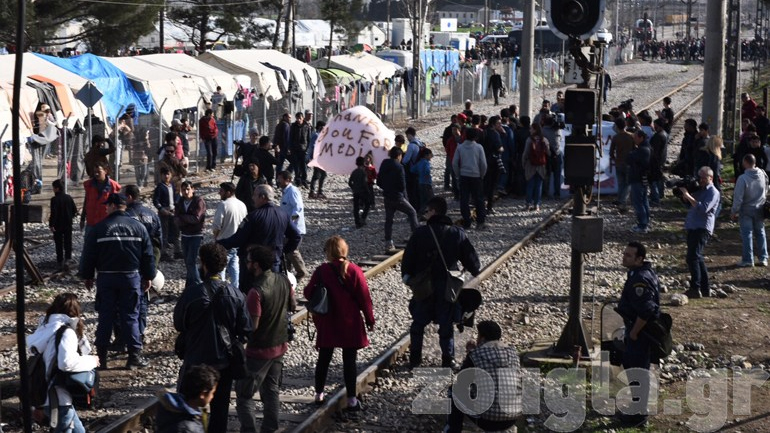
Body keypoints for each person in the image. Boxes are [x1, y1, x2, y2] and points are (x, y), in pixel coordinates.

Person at [174, 242, 252, 433]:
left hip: (195, 360)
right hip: (223, 363)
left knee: (188, 408)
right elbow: (246, 328)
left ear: (204, 265)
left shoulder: (191, 294)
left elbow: (179, 324)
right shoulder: (236, 294)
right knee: (220, 411)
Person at [79, 193, 156, 370]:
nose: (106, 208)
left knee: (105, 316)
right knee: (130, 316)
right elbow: (147, 255)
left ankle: (102, 359)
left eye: (107, 205)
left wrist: (88, 276)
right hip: (131, 278)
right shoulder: (139, 227)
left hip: (106, 278)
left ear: (114, 206)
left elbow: (89, 254)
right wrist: (148, 276)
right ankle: (133, 357)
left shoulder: (99, 228)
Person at [402, 197, 481, 369]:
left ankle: (415, 359)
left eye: (427, 211)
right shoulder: (456, 233)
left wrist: (408, 278)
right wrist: (469, 271)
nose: (425, 214)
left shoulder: (420, 234)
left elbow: (407, 261)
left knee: (418, 323)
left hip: (424, 287)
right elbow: (474, 263)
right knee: (446, 325)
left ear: (434, 212)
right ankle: (448, 359)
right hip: (447, 287)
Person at [304, 236, 375, 413]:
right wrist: (369, 320)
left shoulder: (321, 271)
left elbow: (307, 293)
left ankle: (319, 394)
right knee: (349, 362)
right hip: (349, 321)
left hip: (327, 321)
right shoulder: (355, 270)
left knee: (324, 360)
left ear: (328, 252)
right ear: (344, 250)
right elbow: (365, 299)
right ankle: (352, 399)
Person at [235, 245, 297, 433]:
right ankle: (270, 428)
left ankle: (249, 430)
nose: (246, 264)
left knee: (244, 394)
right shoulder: (284, 281)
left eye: (248, 261)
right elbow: (292, 306)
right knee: (271, 392)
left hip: (259, 351)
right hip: (279, 345)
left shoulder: (256, 292)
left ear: (256, 265)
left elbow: (252, 326)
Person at [26, 293, 99, 433]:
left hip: (45, 396)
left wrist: (37, 406)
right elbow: (66, 363)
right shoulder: (66, 332)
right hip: (59, 399)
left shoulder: (44, 330)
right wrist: (92, 361)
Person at [219, 185, 302, 290]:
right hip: (274, 263)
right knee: (271, 294)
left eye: (254, 195)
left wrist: (219, 243)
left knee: (250, 297)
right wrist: (283, 252)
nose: (252, 198)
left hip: (253, 267)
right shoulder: (283, 214)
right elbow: (296, 237)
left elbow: (238, 240)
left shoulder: (254, 216)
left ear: (262, 197)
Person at [444, 320, 521, 433]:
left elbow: (461, 382)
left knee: (453, 391)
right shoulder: (513, 354)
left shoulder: (475, 355)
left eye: (478, 336)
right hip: (513, 417)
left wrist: (470, 354)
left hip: (486, 421)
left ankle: (453, 429)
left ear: (482, 338)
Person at [616, 241, 661, 428]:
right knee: (635, 371)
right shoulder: (639, 273)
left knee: (638, 373)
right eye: (624, 253)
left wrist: (634, 333)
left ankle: (639, 415)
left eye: (628, 255)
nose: (624, 257)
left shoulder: (639, 280)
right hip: (639, 331)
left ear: (639, 259)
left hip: (640, 333)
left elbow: (647, 310)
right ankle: (636, 408)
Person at [681, 166, 721, 298]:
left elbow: (703, 208)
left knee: (692, 257)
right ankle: (705, 288)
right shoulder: (700, 190)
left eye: (704, 177)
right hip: (693, 226)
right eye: (700, 177)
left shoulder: (713, 192)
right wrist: (685, 196)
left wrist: (688, 196)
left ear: (711, 177)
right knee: (698, 257)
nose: (701, 180)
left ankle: (695, 287)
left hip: (702, 227)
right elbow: (690, 204)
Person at [156, 365, 220, 433]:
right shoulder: (188, 428)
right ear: (202, 394)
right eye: (212, 393)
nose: (212, 396)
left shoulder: (169, 407)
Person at [377, 146, 419, 250]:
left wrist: (386, 188)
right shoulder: (399, 167)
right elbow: (402, 185)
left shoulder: (384, 164)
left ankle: (388, 242)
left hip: (387, 196)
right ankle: (417, 237)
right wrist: (406, 198)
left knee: (389, 220)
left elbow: (379, 181)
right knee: (412, 212)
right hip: (398, 197)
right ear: (399, 156)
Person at [731, 154, 768, 267]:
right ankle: (763, 258)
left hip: (746, 209)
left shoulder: (743, 178)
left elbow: (738, 197)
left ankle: (748, 259)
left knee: (747, 234)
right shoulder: (763, 174)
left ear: (745, 163)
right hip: (760, 207)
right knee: (760, 233)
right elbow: (766, 188)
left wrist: (734, 211)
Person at [213, 182, 248, 290]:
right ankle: (236, 290)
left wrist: (216, 237)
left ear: (228, 192)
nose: (219, 193)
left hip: (224, 241)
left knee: (221, 267)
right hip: (238, 241)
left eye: (221, 191)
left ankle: (221, 290)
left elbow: (217, 225)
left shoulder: (223, 205)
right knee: (234, 267)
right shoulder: (242, 204)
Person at [277, 171, 309, 281]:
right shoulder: (285, 192)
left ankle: (301, 272)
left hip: (294, 228)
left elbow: (297, 210)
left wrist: (289, 223)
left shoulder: (293, 191)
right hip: (287, 228)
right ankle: (288, 275)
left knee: (291, 251)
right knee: (286, 252)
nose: (278, 181)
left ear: (288, 180)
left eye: (280, 178)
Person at [453, 128, 487, 229]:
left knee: (464, 199)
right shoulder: (479, 147)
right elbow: (483, 164)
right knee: (479, 199)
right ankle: (480, 222)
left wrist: (458, 174)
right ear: (476, 137)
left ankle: (467, 221)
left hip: (464, 176)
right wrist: (481, 175)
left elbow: (454, 163)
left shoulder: (460, 147)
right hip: (476, 176)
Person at [175, 181, 207, 288]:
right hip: (185, 235)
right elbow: (176, 218)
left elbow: (196, 218)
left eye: (188, 189)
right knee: (187, 262)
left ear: (193, 189)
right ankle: (190, 285)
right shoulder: (180, 202)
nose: (186, 191)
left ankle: (198, 285)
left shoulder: (198, 201)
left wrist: (183, 217)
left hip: (196, 235)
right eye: (183, 189)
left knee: (191, 261)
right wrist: (185, 219)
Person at [79, 161, 121, 238]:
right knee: (89, 246)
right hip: (91, 222)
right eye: (95, 172)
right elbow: (86, 201)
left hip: (107, 222)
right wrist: (82, 219)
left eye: (99, 172)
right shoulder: (89, 185)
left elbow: (118, 206)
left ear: (105, 171)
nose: (96, 174)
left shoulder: (113, 186)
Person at [153, 168, 182, 261]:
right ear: (161, 176)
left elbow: (176, 197)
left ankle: (177, 251)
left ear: (171, 175)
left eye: (168, 174)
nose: (166, 176)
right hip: (164, 212)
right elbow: (155, 200)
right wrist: (161, 209)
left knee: (176, 232)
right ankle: (163, 253)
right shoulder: (159, 187)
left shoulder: (172, 186)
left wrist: (176, 206)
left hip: (173, 210)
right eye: (164, 174)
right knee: (164, 233)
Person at [49, 179, 78, 271]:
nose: (53, 189)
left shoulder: (54, 199)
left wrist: (51, 224)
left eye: (53, 188)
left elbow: (54, 213)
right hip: (68, 223)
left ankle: (60, 260)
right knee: (68, 241)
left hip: (58, 224)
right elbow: (74, 210)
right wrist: (70, 217)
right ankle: (68, 258)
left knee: (58, 243)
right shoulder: (69, 197)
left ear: (57, 188)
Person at [627, 128, 651, 233]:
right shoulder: (646, 148)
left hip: (638, 178)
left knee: (639, 202)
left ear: (641, 138)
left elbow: (629, 158)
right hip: (642, 178)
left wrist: (632, 153)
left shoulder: (642, 150)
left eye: (635, 138)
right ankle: (645, 222)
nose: (634, 140)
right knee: (644, 201)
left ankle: (642, 225)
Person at [522, 122, 550, 211]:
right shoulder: (544, 140)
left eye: (531, 128)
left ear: (535, 130)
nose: (530, 130)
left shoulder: (529, 140)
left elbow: (525, 154)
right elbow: (548, 153)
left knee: (530, 185)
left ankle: (528, 204)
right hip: (541, 166)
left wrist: (523, 164)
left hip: (531, 165)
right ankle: (537, 205)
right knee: (538, 186)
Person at [609, 118, 634, 208]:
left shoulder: (616, 137)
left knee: (621, 183)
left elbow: (611, 152)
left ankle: (620, 199)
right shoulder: (631, 136)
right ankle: (622, 200)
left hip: (619, 163)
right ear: (625, 125)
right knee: (628, 183)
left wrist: (614, 159)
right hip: (629, 163)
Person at [648, 118, 669, 207]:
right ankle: (660, 194)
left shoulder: (658, 136)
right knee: (658, 178)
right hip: (661, 160)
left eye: (655, 125)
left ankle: (655, 198)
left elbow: (654, 151)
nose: (653, 126)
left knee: (653, 180)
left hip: (655, 162)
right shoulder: (665, 134)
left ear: (659, 126)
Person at [289, 112, 311, 187]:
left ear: (302, 118)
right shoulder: (293, 126)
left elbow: (308, 139)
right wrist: (291, 148)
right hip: (295, 149)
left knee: (303, 166)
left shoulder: (306, 126)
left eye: (300, 118)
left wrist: (307, 150)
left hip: (303, 150)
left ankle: (304, 180)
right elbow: (291, 138)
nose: (298, 120)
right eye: (297, 118)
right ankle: (298, 180)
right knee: (296, 167)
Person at [410, 148, 434, 215]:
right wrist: (427, 175)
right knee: (431, 199)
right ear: (426, 155)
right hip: (427, 183)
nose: (431, 156)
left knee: (423, 200)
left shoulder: (419, 162)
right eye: (430, 155)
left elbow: (412, 170)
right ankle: (430, 214)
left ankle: (420, 214)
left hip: (420, 183)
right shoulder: (426, 163)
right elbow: (427, 171)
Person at [348, 156, 371, 228]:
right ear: (363, 163)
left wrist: (353, 188)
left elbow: (349, 182)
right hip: (363, 192)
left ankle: (357, 222)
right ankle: (363, 219)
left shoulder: (354, 172)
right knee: (367, 204)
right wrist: (367, 191)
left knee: (356, 207)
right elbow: (364, 183)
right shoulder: (363, 172)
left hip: (356, 192)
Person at [308, 121, 328, 199]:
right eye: (323, 127)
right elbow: (312, 147)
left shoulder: (321, 135)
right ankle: (317, 192)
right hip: (317, 158)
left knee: (317, 175)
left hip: (320, 158)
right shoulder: (316, 135)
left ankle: (313, 192)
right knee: (320, 175)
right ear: (320, 127)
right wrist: (310, 157)